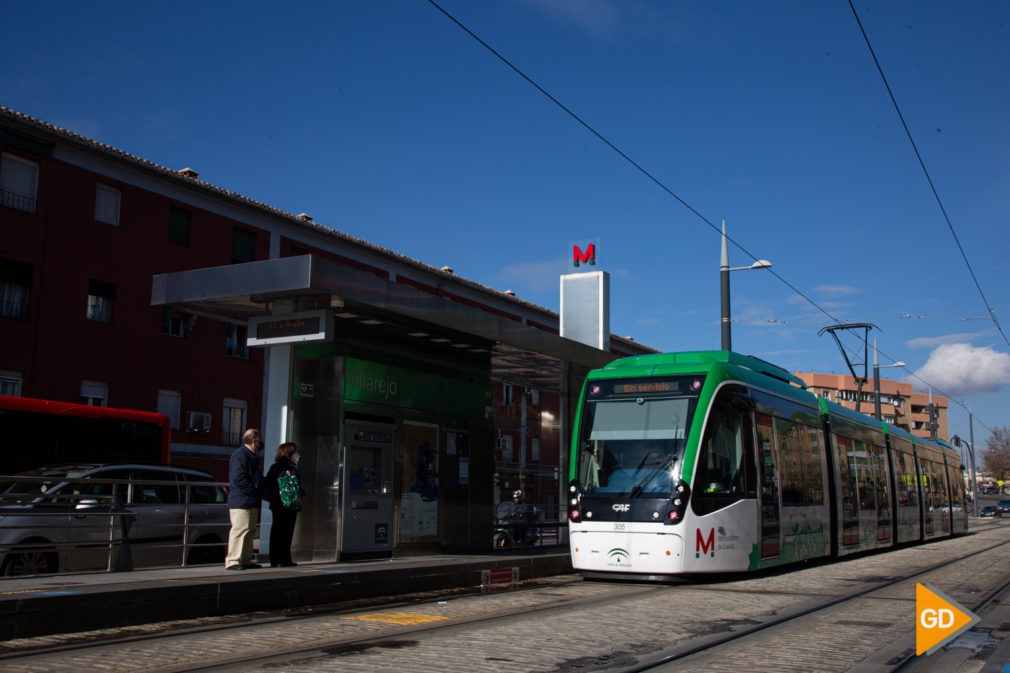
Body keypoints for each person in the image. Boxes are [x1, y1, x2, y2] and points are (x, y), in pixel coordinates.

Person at [225, 428, 264, 570]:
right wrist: (253, 491)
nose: (260, 443)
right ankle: (233, 560)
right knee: (240, 530)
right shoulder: (241, 455)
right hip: (243, 500)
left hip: (249, 499)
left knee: (249, 530)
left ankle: (245, 559)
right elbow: (239, 478)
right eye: (259, 440)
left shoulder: (248, 455)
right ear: (254, 441)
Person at [263, 442, 304, 567]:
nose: (297, 455)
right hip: (287, 505)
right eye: (295, 452)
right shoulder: (287, 468)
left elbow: (267, 484)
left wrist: (273, 499)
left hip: (279, 505)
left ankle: (277, 559)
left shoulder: (278, 467)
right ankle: (283, 558)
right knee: (285, 532)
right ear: (289, 453)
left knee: (278, 531)